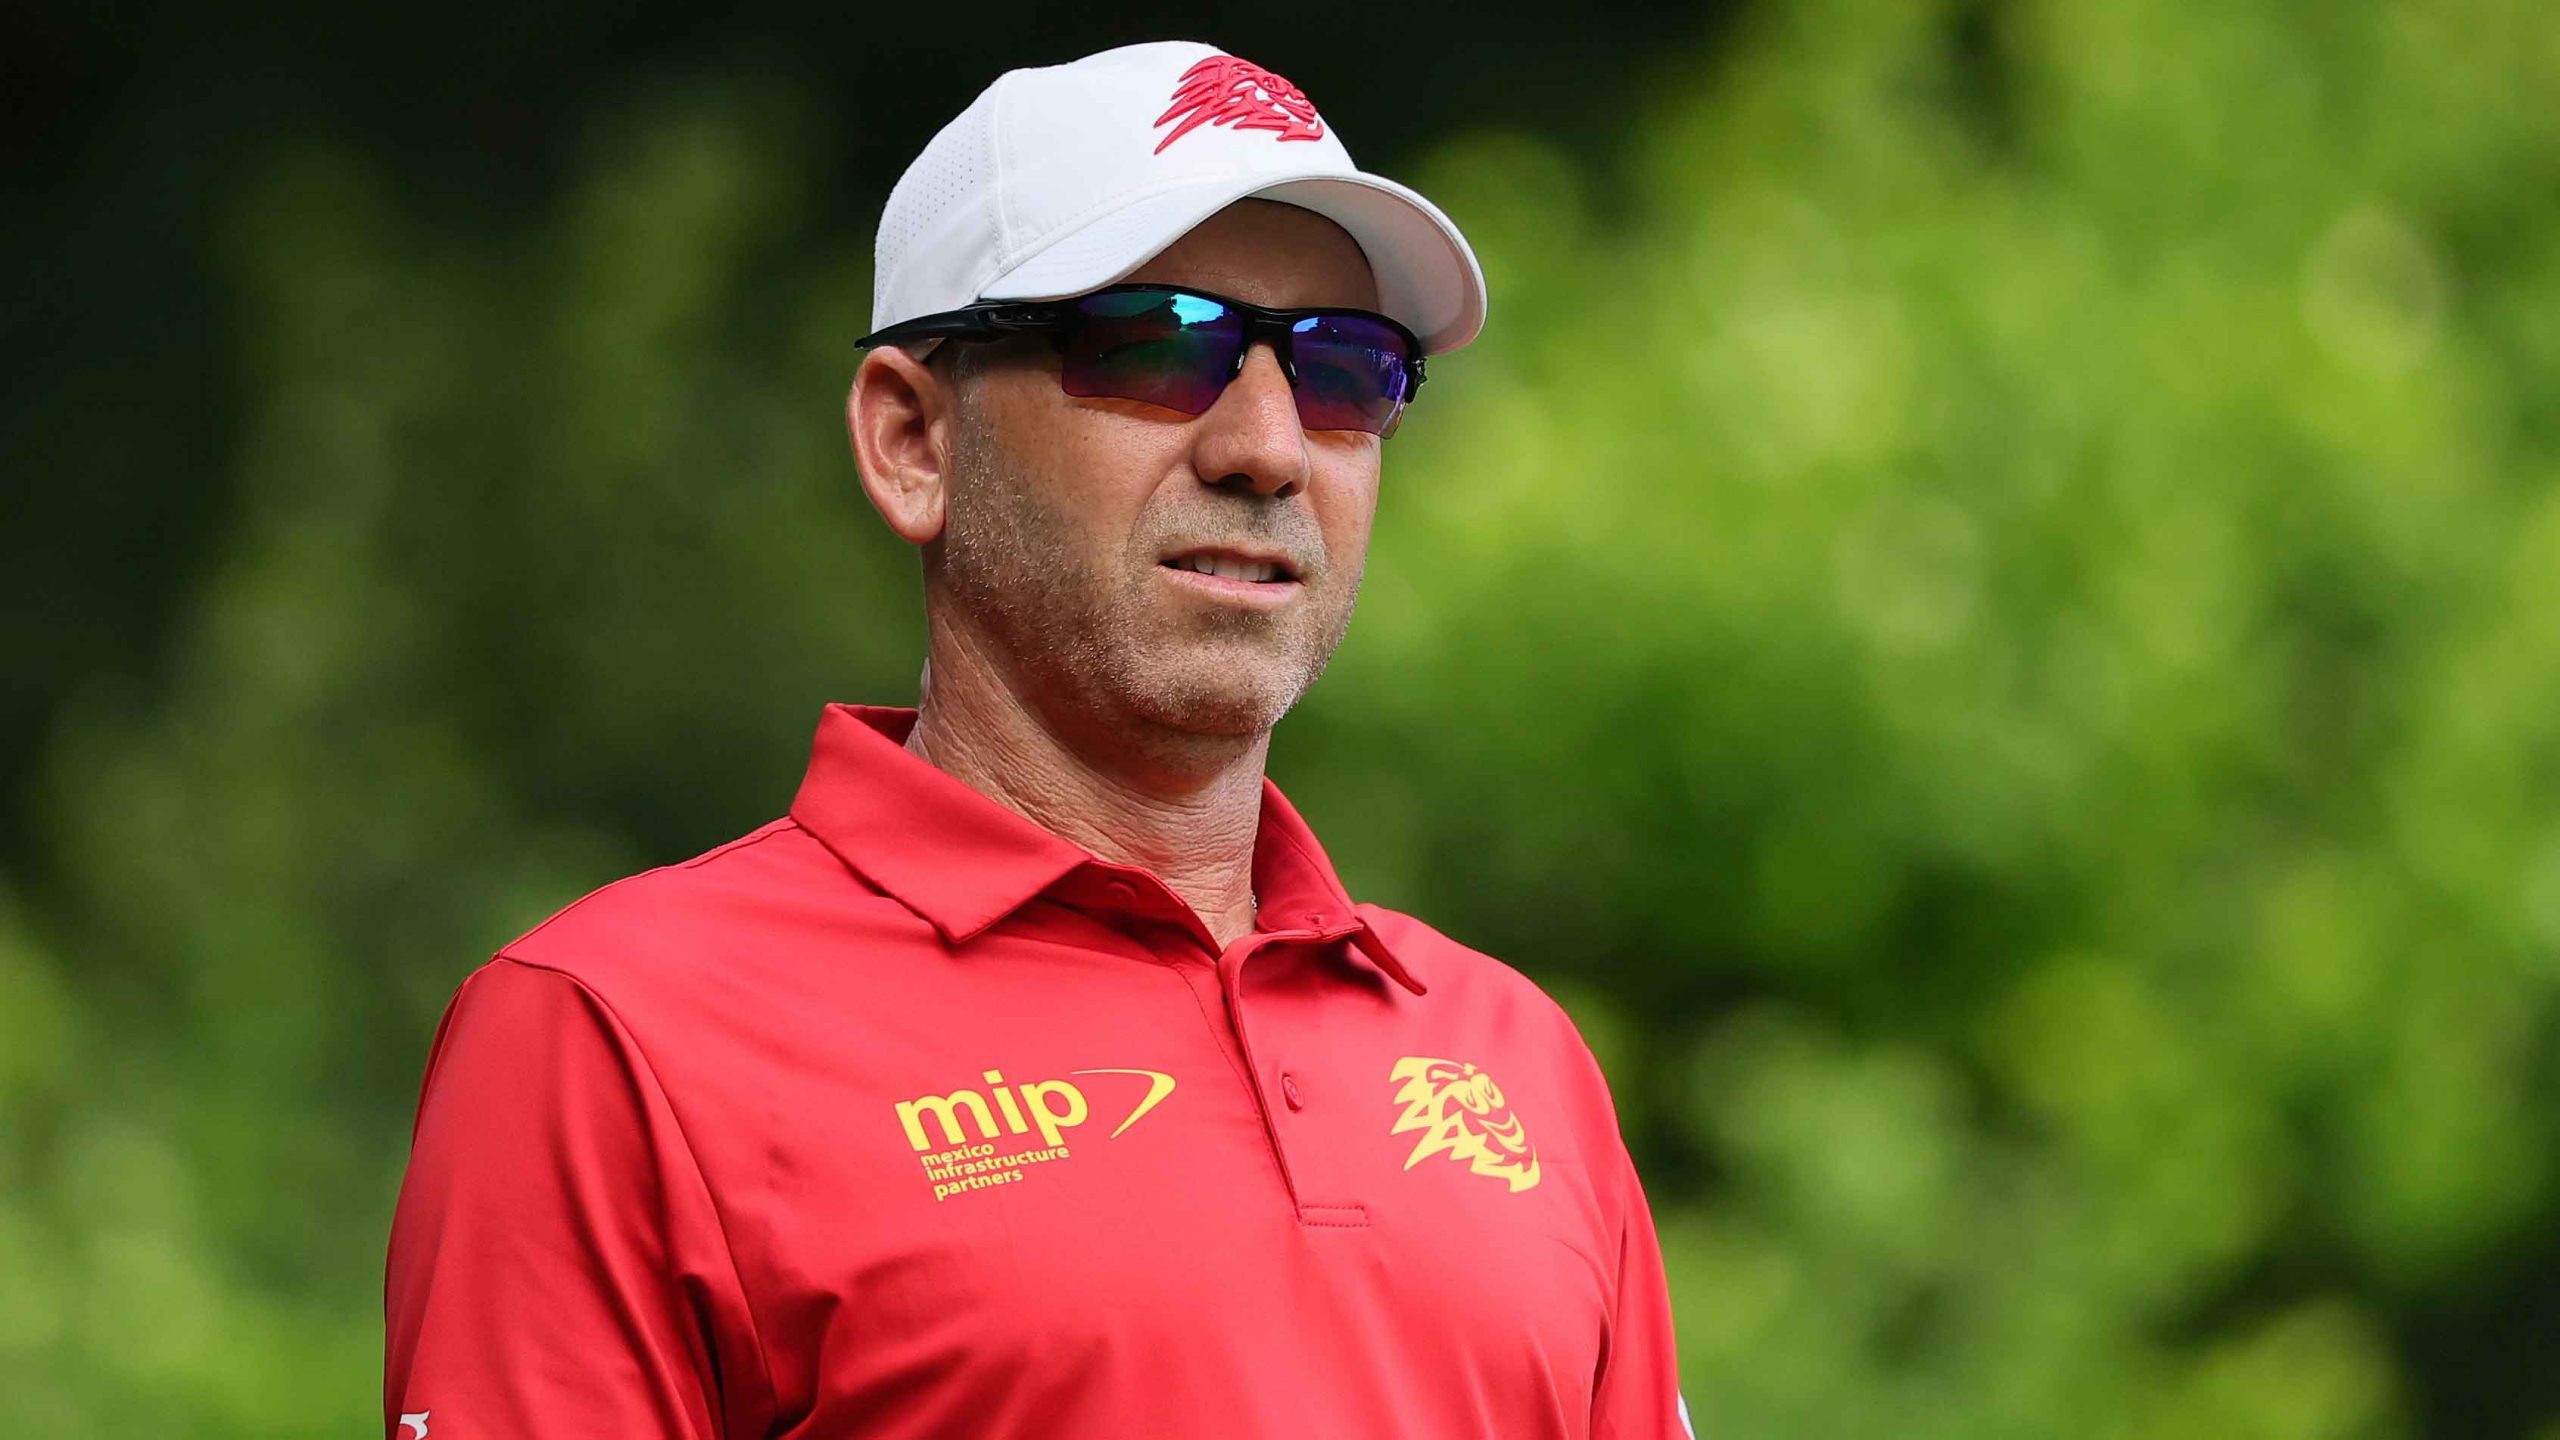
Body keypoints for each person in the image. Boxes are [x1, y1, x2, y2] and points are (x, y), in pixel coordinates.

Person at [384, 39, 1693, 1440]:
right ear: (911, 441)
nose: (1267, 446)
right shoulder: (612, 1033)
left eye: (1342, 370)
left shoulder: (1515, 1059)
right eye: (1154, 345)